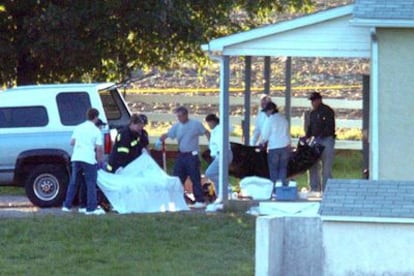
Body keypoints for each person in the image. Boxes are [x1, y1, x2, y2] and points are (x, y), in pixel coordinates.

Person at [159, 106, 209, 208]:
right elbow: (168, 134)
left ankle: (199, 200)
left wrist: (211, 145)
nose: (179, 118)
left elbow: (206, 132)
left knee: (195, 178)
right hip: (181, 155)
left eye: (181, 116)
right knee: (177, 178)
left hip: (192, 154)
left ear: (186, 115)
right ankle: (177, 199)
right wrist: (160, 140)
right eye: (177, 116)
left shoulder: (195, 124)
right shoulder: (177, 126)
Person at [62, 108, 105, 215]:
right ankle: (91, 208)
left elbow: (72, 142)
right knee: (90, 183)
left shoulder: (78, 127)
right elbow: (99, 149)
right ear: (96, 117)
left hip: (76, 158)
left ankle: (67, 205)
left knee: (74, 182)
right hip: (89, 159)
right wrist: (100, 161)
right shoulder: (96, 131)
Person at [306, 92, 336, 197]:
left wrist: (321, 135)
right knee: (312, 164)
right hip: (315, 140)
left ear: (319, 100)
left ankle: (327, 189)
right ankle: (314, 188)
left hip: (326, 140)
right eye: (311, 101)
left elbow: (330, 127)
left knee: (326, 166)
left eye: (314, 100)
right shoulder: (312, 113)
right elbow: (310, 128)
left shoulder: (328, 111)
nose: (312, 103)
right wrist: (307, 137)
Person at [259, 102, 291, 190]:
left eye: (266, 111)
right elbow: (287, 134)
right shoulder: (284, 120)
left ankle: (274, 190)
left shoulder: (269, 120)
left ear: (271, 110)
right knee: (283, 169)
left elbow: (265, 135)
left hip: (273, 148)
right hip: (284, 147)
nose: (266, 113)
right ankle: (282, 189)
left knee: (273, 170)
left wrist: (261, 143)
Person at [204, 113, 233, 200]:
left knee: (210, 173)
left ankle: (225, 187)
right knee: (218, 174)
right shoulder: (215, 131)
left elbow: (229, 129)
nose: (208, 126)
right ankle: (220, 196)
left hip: (222, 153)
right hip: (218, 155)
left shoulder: (220, 129)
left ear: (213, 122)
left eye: (209, 123)